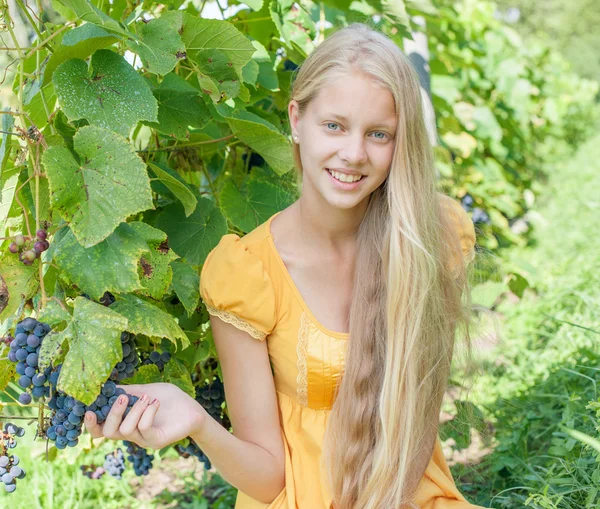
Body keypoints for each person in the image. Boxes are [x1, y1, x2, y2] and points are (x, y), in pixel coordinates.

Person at [84, 22, 486, 509]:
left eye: (379, 134)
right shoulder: (247, 272)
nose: (354, 154)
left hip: (403, 492)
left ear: (402, 143)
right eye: (333, 125)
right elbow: (269, 478)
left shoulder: (428, 238)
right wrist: (197, 421)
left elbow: (417, 424)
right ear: (297, 119)